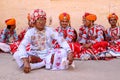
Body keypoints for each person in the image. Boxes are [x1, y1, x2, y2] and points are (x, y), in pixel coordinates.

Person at [13, 9, 73, 73]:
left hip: (48, 54)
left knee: (63, 52)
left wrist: (69, 51)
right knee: (16, 54)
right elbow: (22, 45)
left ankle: (38, 65)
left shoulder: (50, 30)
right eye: (38, 19)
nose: (41, 22)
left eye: (43, 19)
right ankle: (45, 63)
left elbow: (61, 40)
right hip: (35, 54)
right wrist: (25, 60)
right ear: (34, 21)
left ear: (45, 20)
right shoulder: (30, 32)